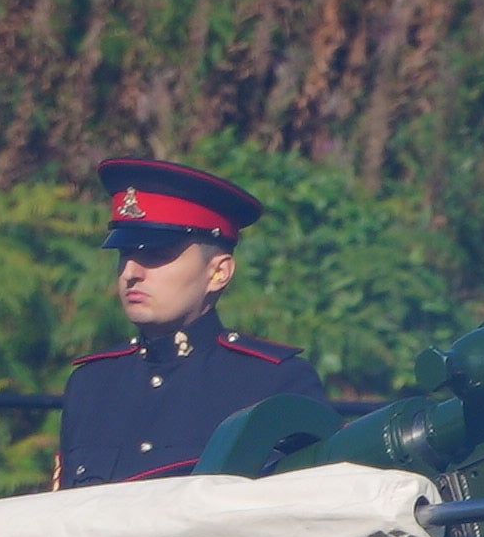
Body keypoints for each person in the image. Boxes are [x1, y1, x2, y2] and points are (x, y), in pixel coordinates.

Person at [56, 155, 318, 484]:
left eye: (156, 255)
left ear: (218, 272)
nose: (131, 273)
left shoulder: (271, 383)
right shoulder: (92, 384)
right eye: (125, 254)